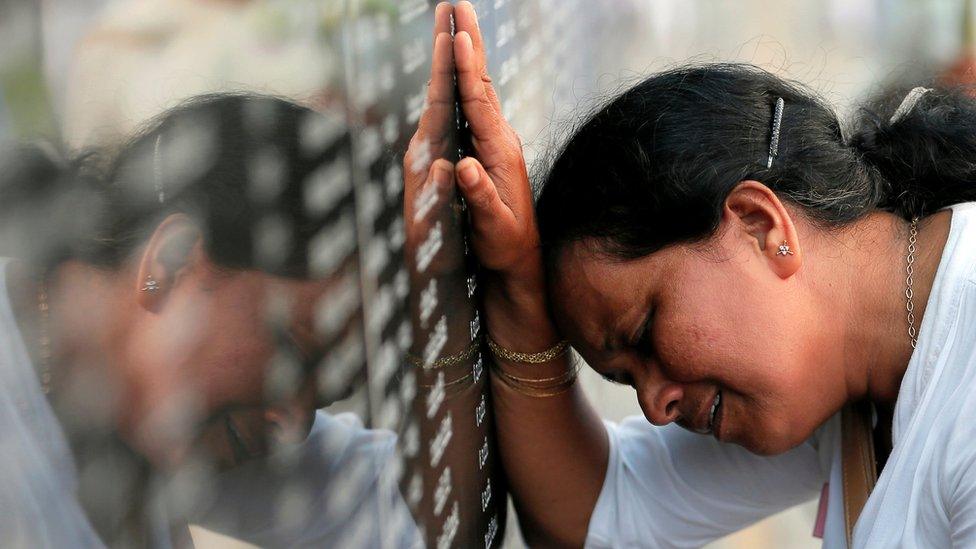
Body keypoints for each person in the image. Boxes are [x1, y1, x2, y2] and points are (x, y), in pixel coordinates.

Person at [435, 2, 976, 547]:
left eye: (644, 337)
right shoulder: (855, 364)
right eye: (626, 379)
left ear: (759, 226)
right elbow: (599, 513)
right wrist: (517, 283)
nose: (654, 407)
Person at [0, 93, 419, 548]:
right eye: (294, 356)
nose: (296, 426)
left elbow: (412, 508)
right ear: (170, 265)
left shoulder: (159, 411)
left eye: (326, 394)